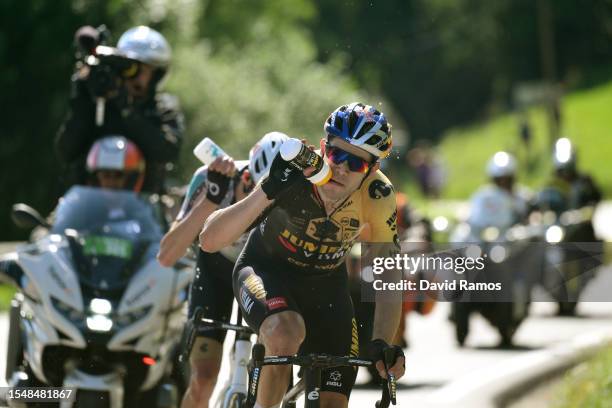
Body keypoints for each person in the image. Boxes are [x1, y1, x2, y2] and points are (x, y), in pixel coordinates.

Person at [199, 102, 405, 407]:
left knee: (333, 402)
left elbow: (387, 273)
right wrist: (267, 189)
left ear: (373, 169)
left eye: (356, 163)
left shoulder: (378, 195)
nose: (342, 168)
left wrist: (383, 343)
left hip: (326, 286)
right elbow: (209, 240)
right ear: (323, 148)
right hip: (266, 272)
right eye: (337, 155)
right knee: (285, 332)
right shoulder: (295, 172)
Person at [157, 132, 289, 408]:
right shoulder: (210, 176)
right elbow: (167, 255)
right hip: (214, 269)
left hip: (262, 275)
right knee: (202, 380)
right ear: (245, 178)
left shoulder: (291, 193)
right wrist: (210, 200)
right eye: (258, 191)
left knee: (276, 376)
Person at [56, 25, 184, 194]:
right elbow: (66, 151)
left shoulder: (164, 108)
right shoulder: (99, 102)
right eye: (129, 69)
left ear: (156, 75)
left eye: (142, 70)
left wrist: (126, 109)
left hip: (146, 211)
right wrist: (82, 97)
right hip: (88, 209)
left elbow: (167, 151)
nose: (134, 77)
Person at [467, 151, 529, 235]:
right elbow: (473, 214)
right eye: (499, 180)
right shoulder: (484, 195)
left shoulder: (522, 196)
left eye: (507, 179)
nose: (503, 183)